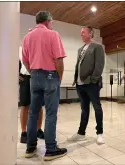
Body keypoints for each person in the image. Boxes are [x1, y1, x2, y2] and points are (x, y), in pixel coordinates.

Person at [22, 11, 67, 161]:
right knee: (50, 113)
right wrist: (58, 78)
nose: (52, 24)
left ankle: (30, 147)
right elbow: (59, 61)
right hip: (50, 76)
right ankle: (51, 149)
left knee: (33, 113)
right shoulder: (53, 35)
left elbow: (25, 61)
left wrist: (34, 73)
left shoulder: (27, 37)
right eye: (52, 22)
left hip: (34, 76)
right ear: (48, 21)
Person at [68, 26, 105, 144]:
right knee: (84, 109)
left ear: (91, 33)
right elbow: (78, 65)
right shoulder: (80, 49)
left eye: (83, 32)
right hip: (80, 84)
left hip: (91, 84)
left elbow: (99, 65)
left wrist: (93, 80)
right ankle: (81, 133)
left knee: (97, 108)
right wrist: (76, 80)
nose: (81, 34)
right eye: (81, 33)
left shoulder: (97, 47)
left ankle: (100, 133)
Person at [19, 60, 45, 144]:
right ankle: (24, 133)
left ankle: (38, 130)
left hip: (39, 76)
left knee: (40, 105)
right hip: (26, 77)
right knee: (25, 105)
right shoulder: (23, 47)